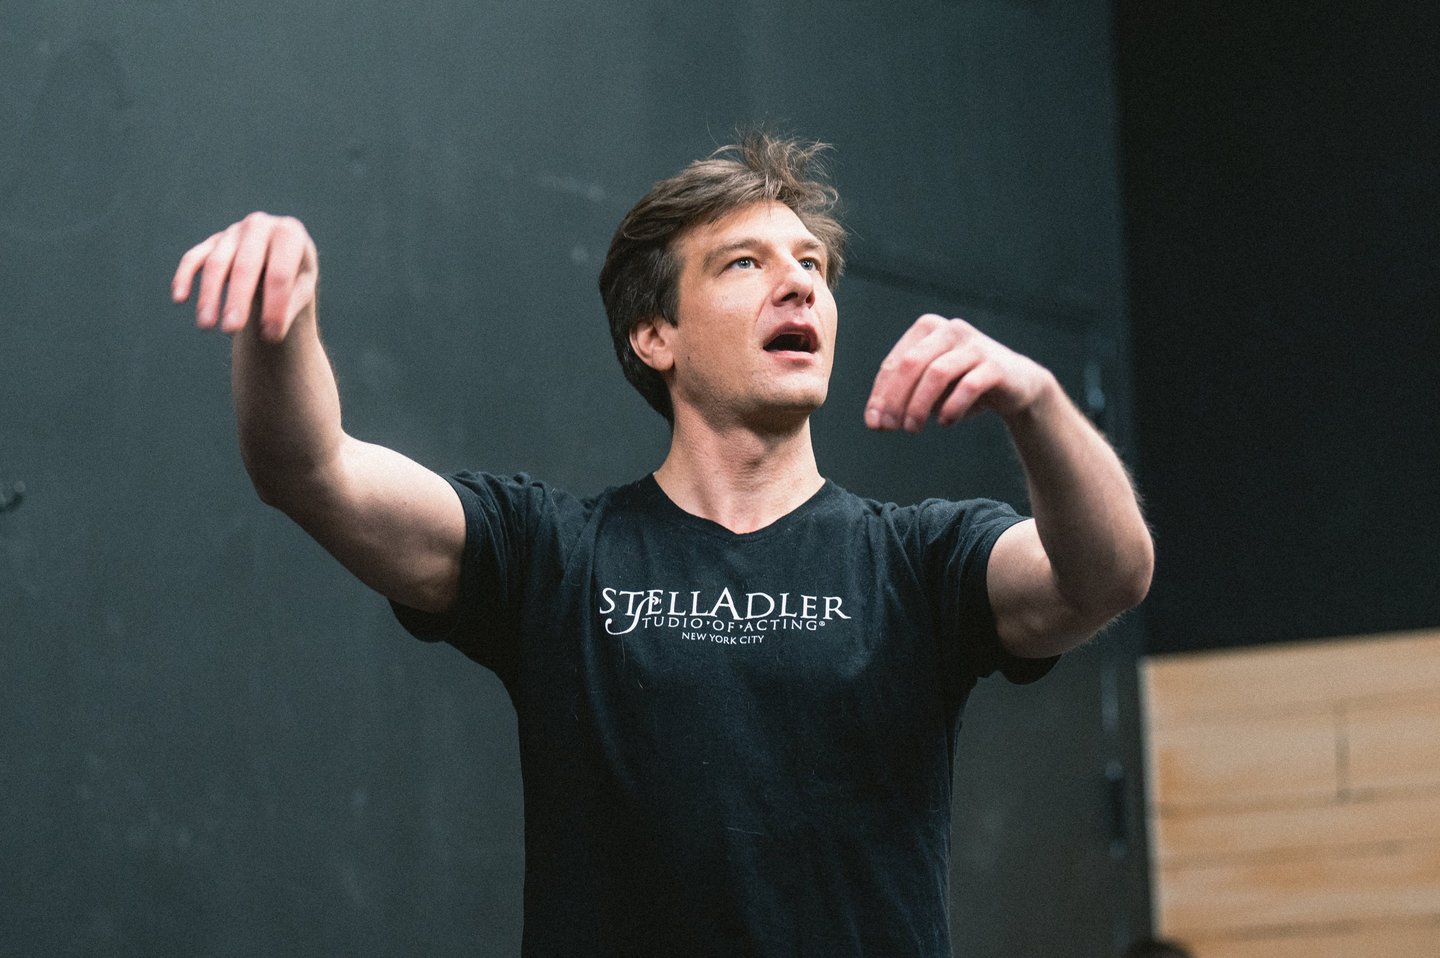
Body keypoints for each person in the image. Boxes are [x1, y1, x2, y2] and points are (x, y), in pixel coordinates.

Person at [172, 132, 1153, 957]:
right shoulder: (551, 555)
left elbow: (1108, 576)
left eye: (811, 265)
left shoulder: (919, 562)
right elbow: (311, 470)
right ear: (655, 335)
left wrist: (1038, 402)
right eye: (745, 264)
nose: (797, 284)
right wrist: (281, 320)